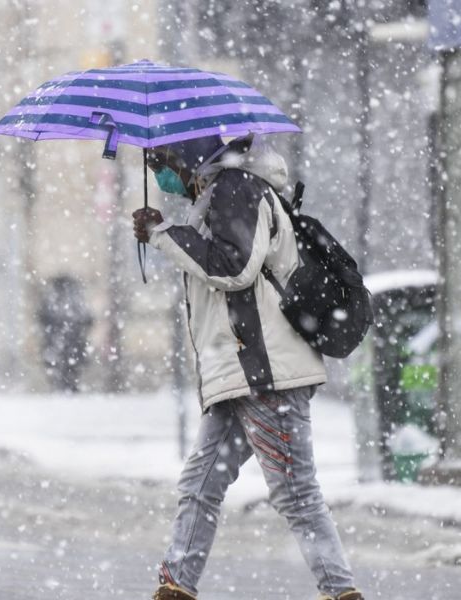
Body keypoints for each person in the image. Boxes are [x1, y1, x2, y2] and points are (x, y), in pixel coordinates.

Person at [133, 134, 364, 600]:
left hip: (264, 372)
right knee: (201, 483)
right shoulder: (218, 195)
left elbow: (233, 268)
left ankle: (341, 592)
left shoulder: (236, 188)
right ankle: (177, 588)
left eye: (159, 158)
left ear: (189, 153)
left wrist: (162, 235)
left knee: (295, 492)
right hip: (239, 373)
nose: (157, 170)